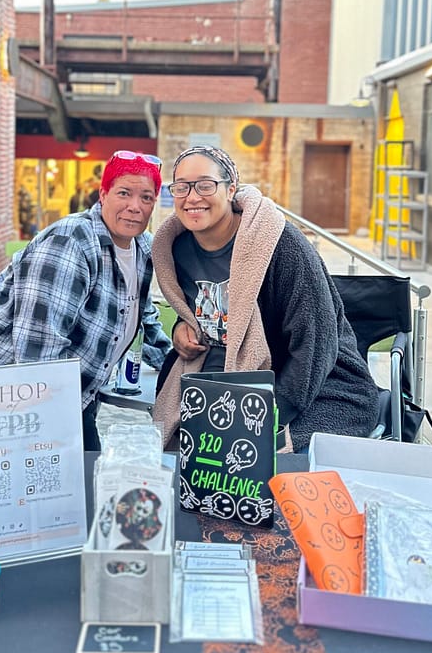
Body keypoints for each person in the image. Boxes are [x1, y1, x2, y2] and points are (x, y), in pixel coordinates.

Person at [0, 151, 172, 450]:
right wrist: (53, 436)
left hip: (57, 387)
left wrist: (175, 368)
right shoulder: (71, 243)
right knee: (17, 484)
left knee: (75, 477)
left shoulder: (142, 248)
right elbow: (38, 350)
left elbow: (141, 317)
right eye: (124, 193)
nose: (135, 206)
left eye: (146, 198)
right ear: (103, 194)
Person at [151, 145, 378, 452]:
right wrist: (181, 326)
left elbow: (316, 343)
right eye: (182, 187)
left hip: (302, 383)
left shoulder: (282, 246)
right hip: (213, 378)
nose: (192, 197)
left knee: (257, 459)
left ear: (231, 187)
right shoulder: (178, 249)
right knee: (187, 458)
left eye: (205, 185)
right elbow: (203, 307)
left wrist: (266, 415)